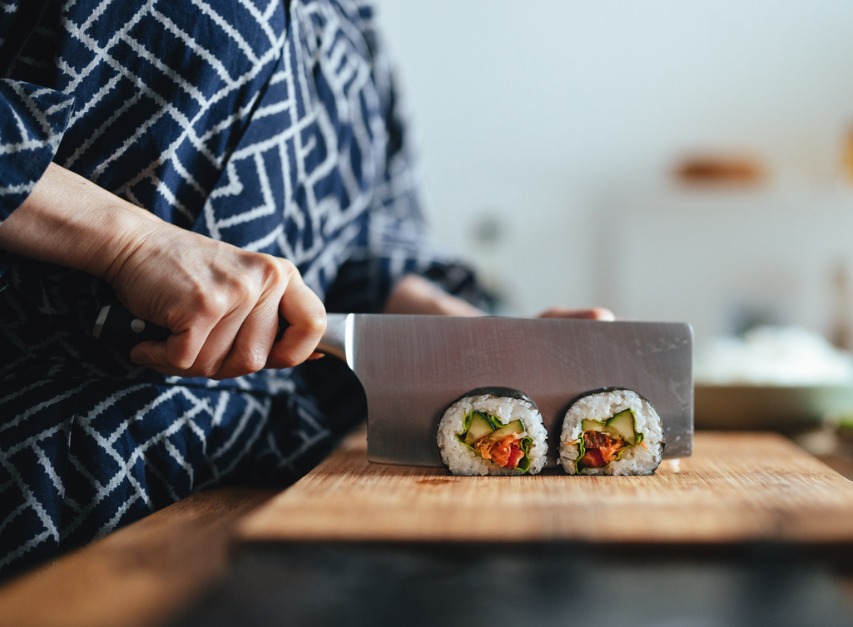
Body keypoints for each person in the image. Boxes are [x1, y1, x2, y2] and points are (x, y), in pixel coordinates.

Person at [0, 2, 608, 578]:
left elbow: (364, 235)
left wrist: (460, 334)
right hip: (54, 483)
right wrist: (129, 243)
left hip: (271, 486)